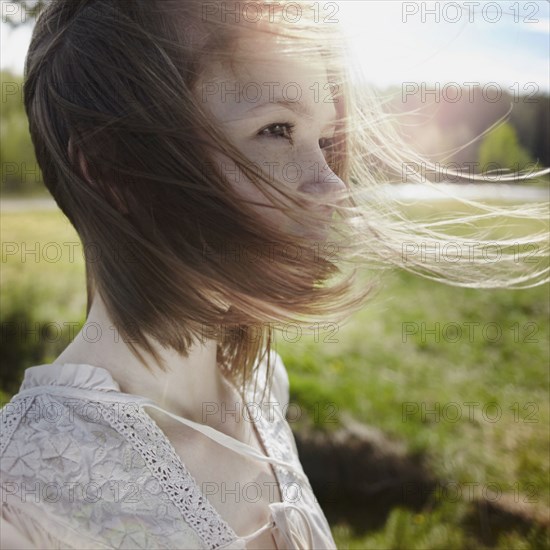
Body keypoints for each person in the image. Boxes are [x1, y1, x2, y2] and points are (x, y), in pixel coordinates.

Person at [1, 1, 548, 549]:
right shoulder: (21, 498)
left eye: (322, 138)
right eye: (277, 129)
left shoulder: (261, 387)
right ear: (112, 168)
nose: (332, 183)